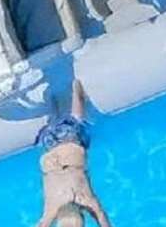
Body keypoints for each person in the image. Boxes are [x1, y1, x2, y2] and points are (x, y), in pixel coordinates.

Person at [34, 79, 111, 227]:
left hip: (70, 143)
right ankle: (54, 103)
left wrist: (96, 212)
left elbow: (102, 218)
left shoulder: (88, 201)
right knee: (54, 125)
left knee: (77, 119)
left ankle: (76, 87)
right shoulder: (50, 210)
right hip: (49, 148)